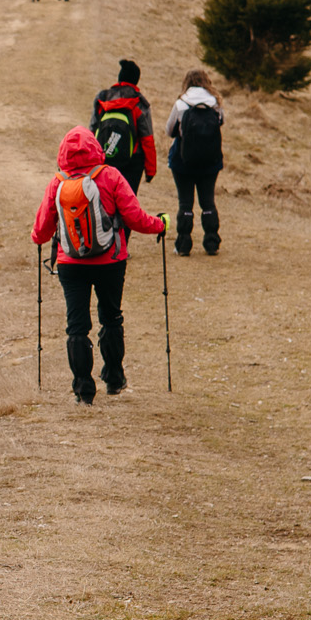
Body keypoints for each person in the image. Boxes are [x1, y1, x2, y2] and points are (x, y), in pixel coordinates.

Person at [30, 126, 165, 403]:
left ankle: (83, 391)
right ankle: (114, 379)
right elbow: (136, 218)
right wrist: (161, 223)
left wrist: (37, 237)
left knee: (76, 326)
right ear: (96, 148)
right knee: (111, 317)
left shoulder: (57, 182)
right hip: (110, 261)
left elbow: (41, 232)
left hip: (71, 263)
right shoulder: (111, 176)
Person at [165, 68, 226, 257]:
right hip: (210, 162)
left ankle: (183, 245)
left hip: (183, 161)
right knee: (208, 202)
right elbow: (221, 122)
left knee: (185, 203)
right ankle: (212, 243)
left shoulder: (181, 103)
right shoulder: (215, 104)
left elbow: (169, 130)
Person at [90, 59, 158, 194]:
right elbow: (147, 139)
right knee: (127, 204)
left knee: (104, 200)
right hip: (132, 162)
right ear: (136, 80)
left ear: (119, 77)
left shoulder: (103, 97)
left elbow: (92, 130)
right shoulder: (139, 102)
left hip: (104, 159)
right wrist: (150, 170)